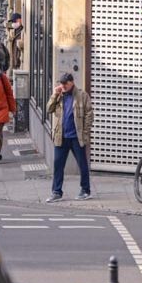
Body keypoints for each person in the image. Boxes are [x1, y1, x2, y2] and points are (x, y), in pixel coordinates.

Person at [45, 72, 94, 202]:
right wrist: (55, 94)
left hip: (76, 137)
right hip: (61, 136)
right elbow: (49, 109)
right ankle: (56, 191)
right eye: (61, 83)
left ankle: (85, 190)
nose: (63, 86)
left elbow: (89, 114)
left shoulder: (82, 96)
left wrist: (85, 133)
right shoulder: (59, 95)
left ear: (71, 82)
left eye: (65, 83)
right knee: (58, 165)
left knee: (82, 164)